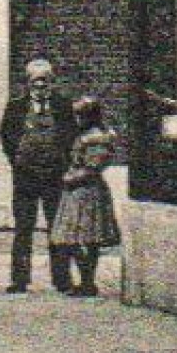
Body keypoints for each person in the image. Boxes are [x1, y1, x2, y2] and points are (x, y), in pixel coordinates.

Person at [0, 57, 78, 294]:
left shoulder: (63, 106)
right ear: (28, 83)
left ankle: (62, 278)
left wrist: (62, 161)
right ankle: (20, 279)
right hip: (26, 177)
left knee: (58, 226)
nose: (41, 87)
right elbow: (6, 135)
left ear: (52, 82)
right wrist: (18, 159)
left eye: (45, 81)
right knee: (23, 228)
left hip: (54, 175)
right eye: (36, 82)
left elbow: (70, 135)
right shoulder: (16, 106)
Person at [51, 95, 120, 297]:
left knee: (87, 239)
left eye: (82, 115)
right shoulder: (84, 135)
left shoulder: (96, 137)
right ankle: (86, 280)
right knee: (71, 238)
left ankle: (88, 281)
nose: (78, 119)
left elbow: (93, 168)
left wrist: (70, 178)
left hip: (88, 191)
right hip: (76, 192)